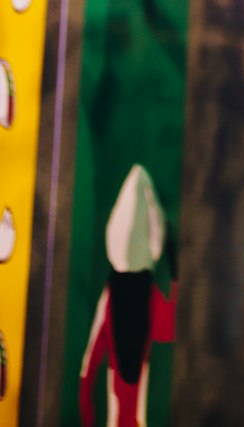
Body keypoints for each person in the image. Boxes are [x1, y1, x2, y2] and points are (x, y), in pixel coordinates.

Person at [79, 165, 177, 427]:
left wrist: (87, 409)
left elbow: (89, 366)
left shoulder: (118, 295)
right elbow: (166, 330)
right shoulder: (131, 294)